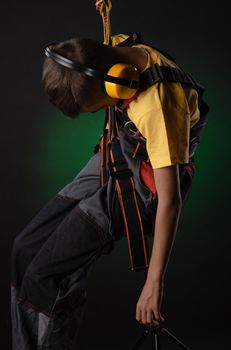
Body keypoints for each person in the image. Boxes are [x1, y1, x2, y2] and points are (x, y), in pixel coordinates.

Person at [10, 33, 201, 349]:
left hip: (147, 186)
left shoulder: (158, 108)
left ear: (118, 84)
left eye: (94, 108)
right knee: (23, 248)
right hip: (121, 152)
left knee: (45, 277)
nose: (94, 113)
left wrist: (154, 283)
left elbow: (170, 199)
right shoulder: (116, 49)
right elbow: (86, 55)